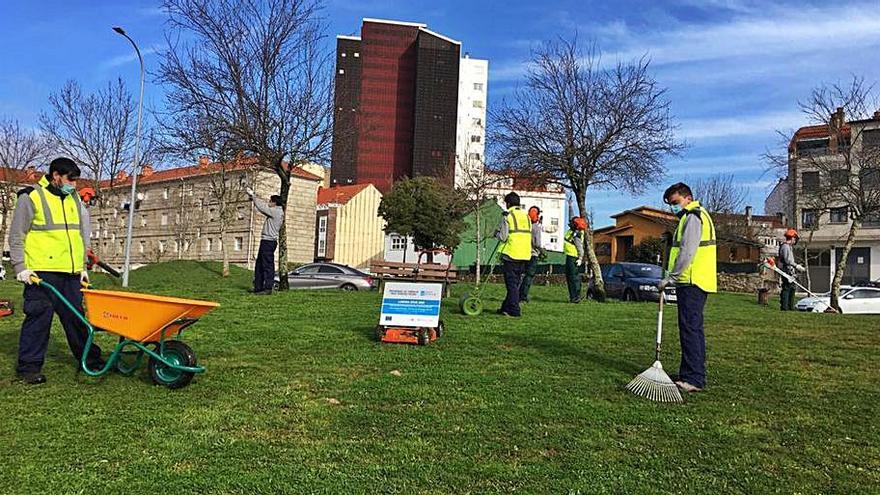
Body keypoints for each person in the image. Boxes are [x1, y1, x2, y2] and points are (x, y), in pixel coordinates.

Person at [9, 157, 104, 384]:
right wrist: (20, 267)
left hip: (69, 272)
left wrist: (82, 267)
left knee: (76, 319)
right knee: (39, 319)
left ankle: (91, 360)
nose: (74, 184)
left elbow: (80, 236)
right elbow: (16, 235)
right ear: (55, 176)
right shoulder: (31, 197)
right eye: (70, 179)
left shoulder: (73, 199)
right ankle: (29, 368)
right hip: (41, 272)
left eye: (76, 180)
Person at [659, 182, 717, 393]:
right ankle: (689, 373)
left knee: (690, 329)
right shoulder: (689, 217)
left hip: (693, 281)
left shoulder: (693, 217)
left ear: (688, 198)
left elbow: (687, 252)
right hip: (693, 281)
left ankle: (693, 378)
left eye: (675, 202)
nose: (673, 207)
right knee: (691, 329)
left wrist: (670, 278)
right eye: (670, 204)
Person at [495, 192, 532, 317]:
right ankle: (505, 308)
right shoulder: (526, 217)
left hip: (511, 254)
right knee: (515, 284)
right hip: (525, 254)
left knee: (511, 285)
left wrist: (496, 234)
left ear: (508, 203)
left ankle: (515, 310)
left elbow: (503, 237)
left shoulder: (508, 216)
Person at [246, 187, 283, 295]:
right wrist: (253, 198)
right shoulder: (276, 211)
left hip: (268, 242)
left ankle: (267, 288)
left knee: (267, 265)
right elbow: (262, 206)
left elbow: (262, 207)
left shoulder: (276, 211)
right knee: (260, 265)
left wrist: (253, 195)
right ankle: (258, 287)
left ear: (275, 203)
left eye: (270, 201)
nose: (269, 203)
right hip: (266, 241)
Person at [519, 206, 544, 303]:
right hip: (533, 254)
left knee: (521, 275)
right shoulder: (536, 228)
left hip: (523, 253)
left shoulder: (524, 226)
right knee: (528, 276)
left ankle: (516, 294)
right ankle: (523, 296)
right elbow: (537, 243)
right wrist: (541, 251)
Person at [777, 228, 805, 311]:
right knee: (787, 288)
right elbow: (787, 260)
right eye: (795, 238)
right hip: (786, 271)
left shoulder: (789, 247)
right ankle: (785, 308)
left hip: (790, 271)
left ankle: (791, 307)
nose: (795, 240)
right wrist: (796, 266)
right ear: (792, 238)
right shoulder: (785, 246)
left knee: (792, 288)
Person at [564, 216, 587, 303]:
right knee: (570, 277)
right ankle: (573, 297)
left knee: (573, 278)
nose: (570, 224)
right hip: (570, 256)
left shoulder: (577, 234)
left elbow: (580, 247)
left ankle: (575, 297)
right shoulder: (573, 231)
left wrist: (580, 258)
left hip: (573, 257)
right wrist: (570, 205)